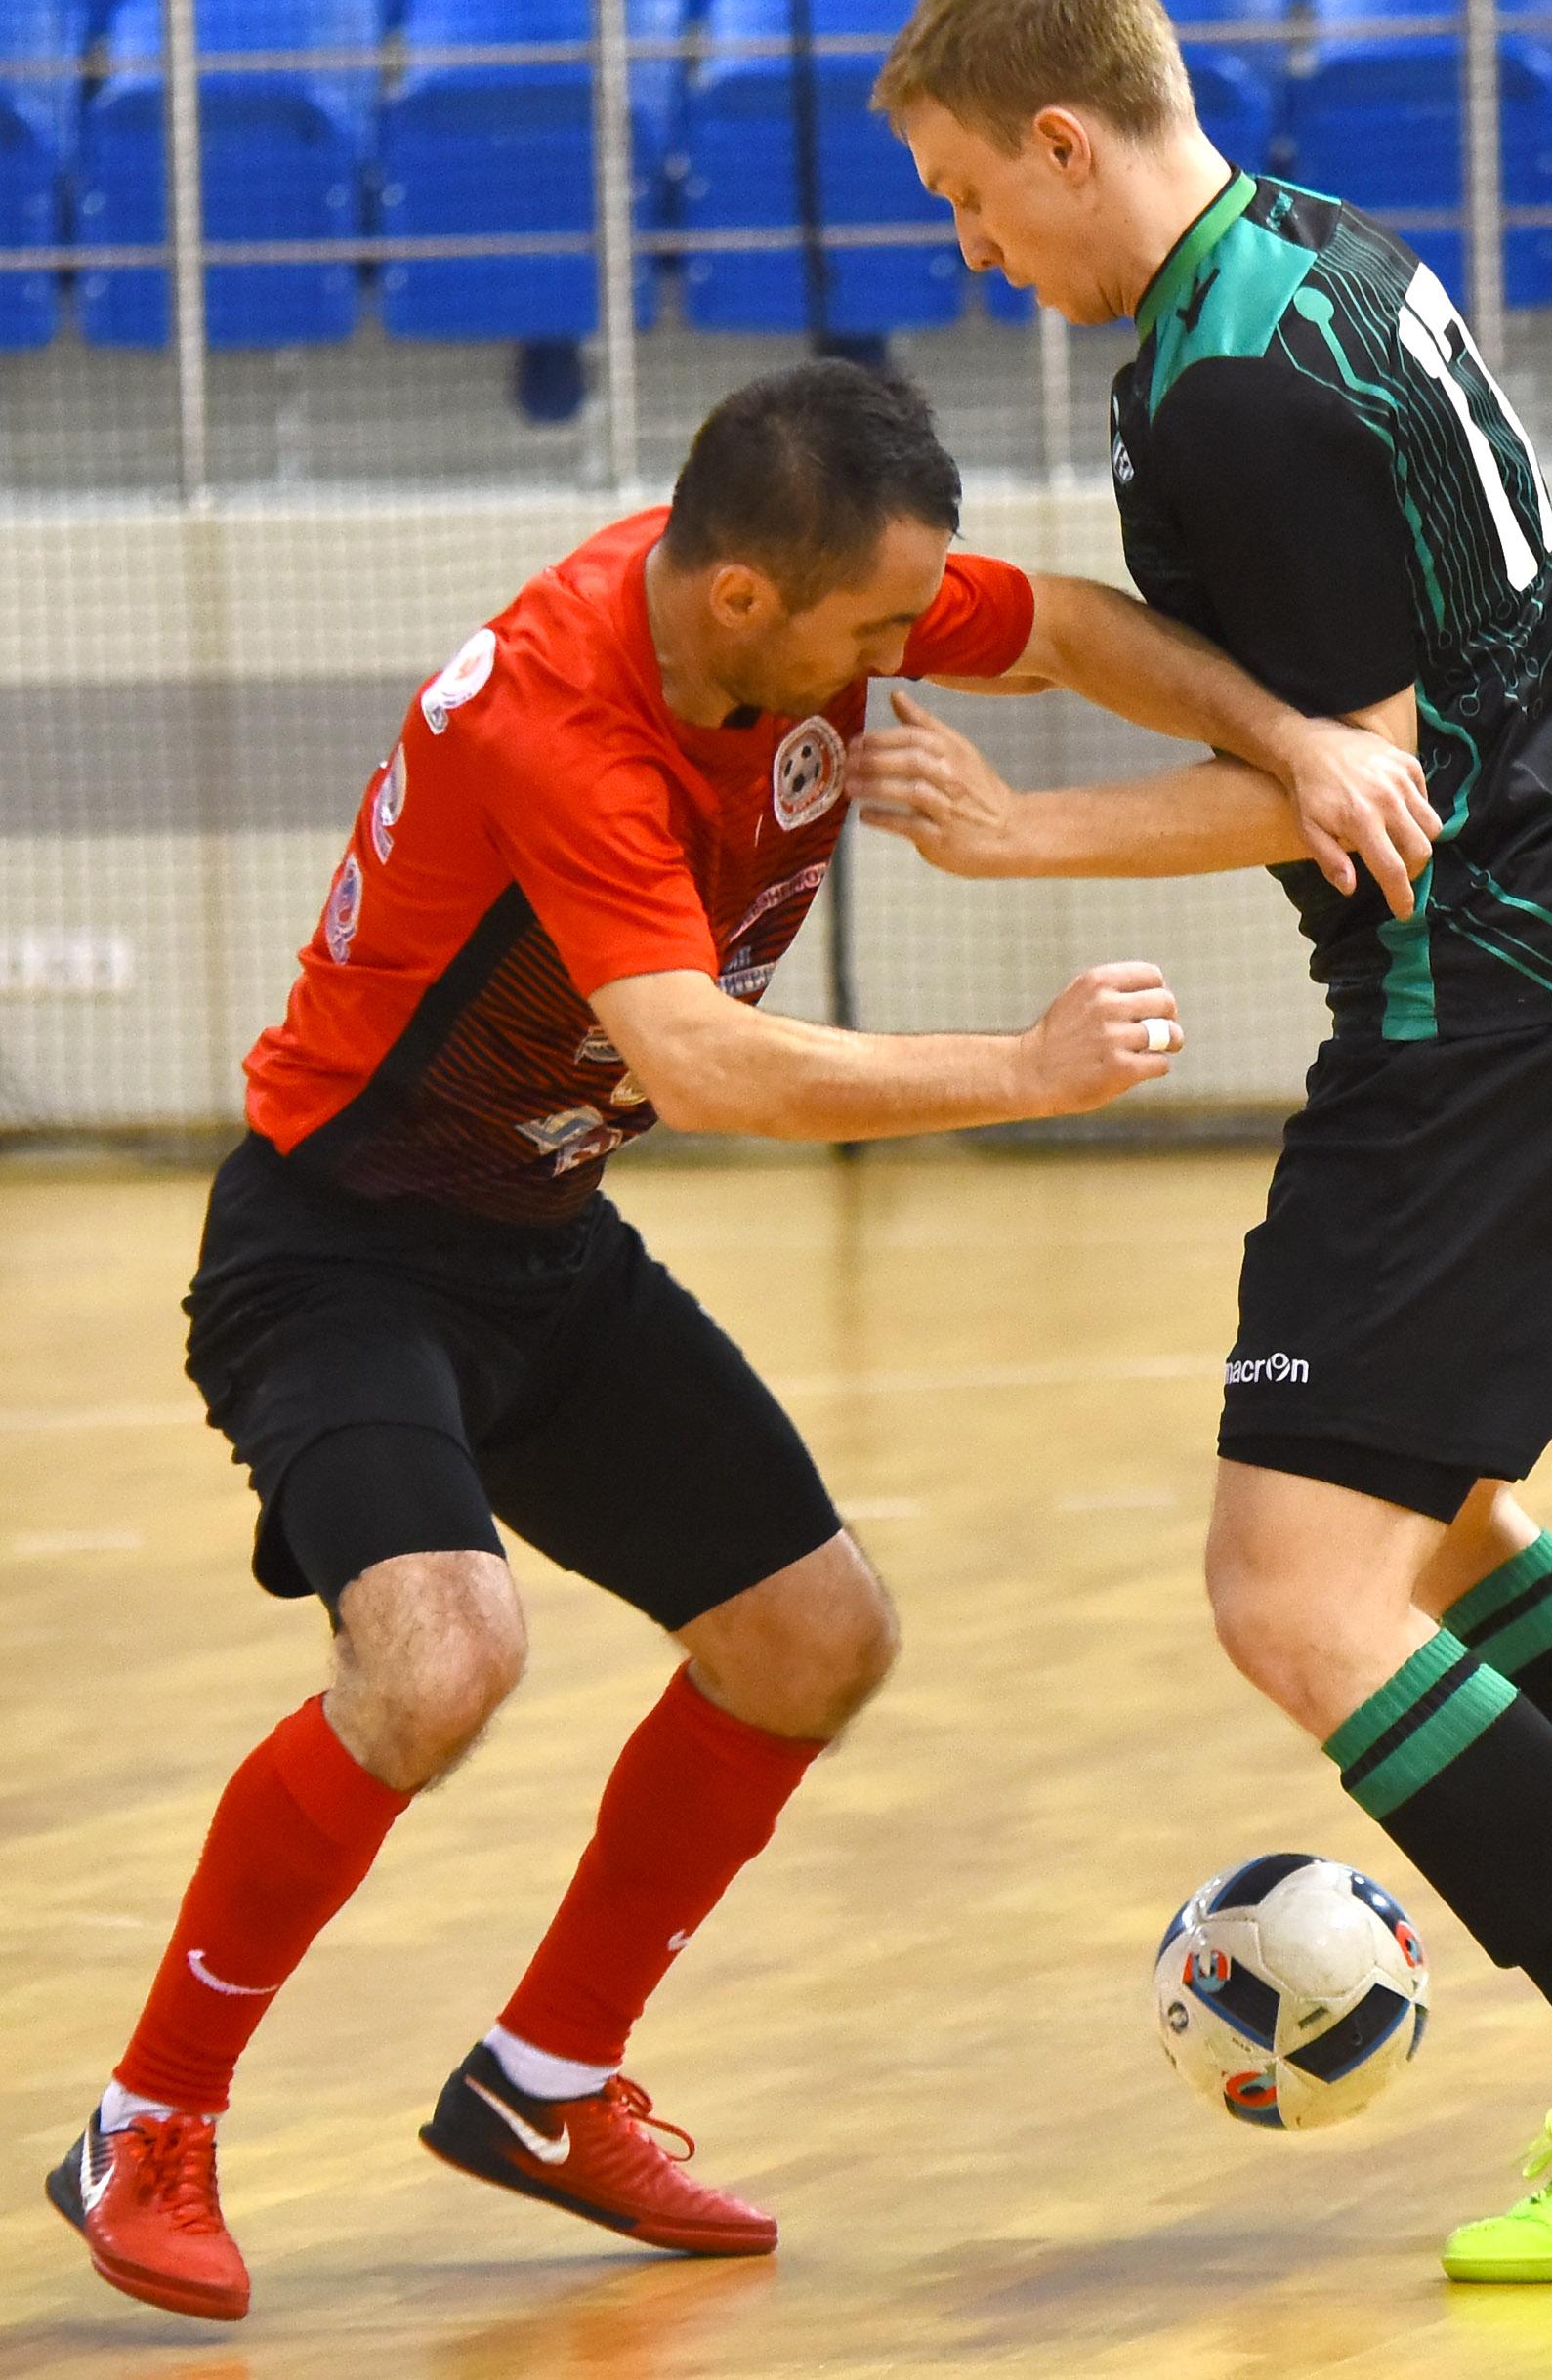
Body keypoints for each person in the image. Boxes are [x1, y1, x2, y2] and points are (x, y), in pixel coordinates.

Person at [47, 357, 1430, 2327]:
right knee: (438, 1660)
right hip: (338, 1254)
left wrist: (1296, 742)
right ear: (743, 601)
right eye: (873, 634)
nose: (901, 660)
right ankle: (147, 2120)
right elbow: (698, 1062)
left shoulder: (804, 595)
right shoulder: (562, 718)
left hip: (538, 1238)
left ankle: (544, 2085)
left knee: (811, 1639)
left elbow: (1063, 628)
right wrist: (1024, 1069)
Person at [863, 0, 1552, 2284]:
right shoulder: (1302, 256)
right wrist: (1024, 633)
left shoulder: (1229, 398)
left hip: (1483, 1020)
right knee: (1452, 1534)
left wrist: (1013, 836)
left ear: (1060, 139)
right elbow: (1297, 698)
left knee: (1290, 1594)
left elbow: (1358, 789)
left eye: (967, 195)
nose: (967, 247)